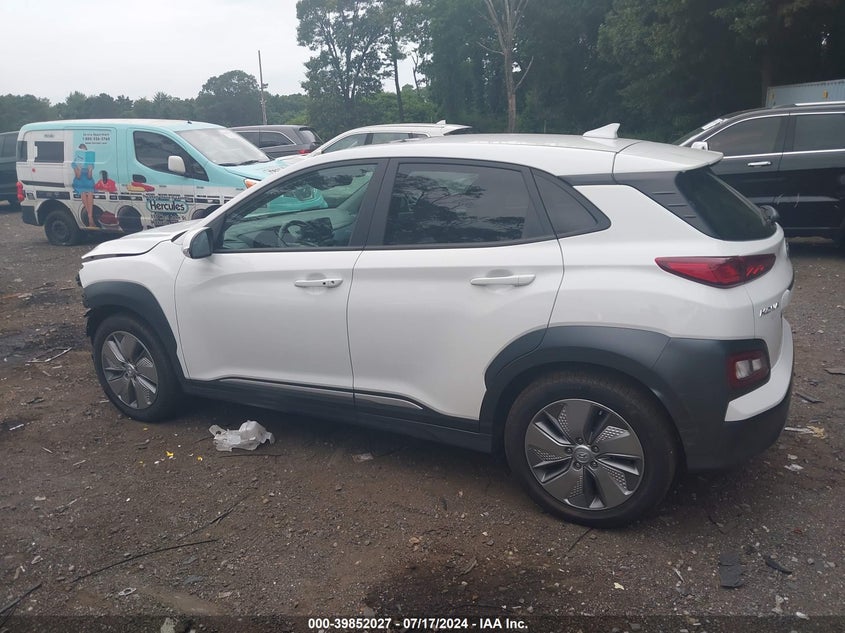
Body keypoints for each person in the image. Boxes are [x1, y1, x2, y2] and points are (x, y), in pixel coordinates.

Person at [72, 144, 96, 227]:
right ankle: (90, 218)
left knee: (90, 192)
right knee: (83, 191)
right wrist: (80, 168)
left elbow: (89, 177)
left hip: (88, 180)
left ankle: (89, 216)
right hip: (79, 180)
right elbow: (78, 177)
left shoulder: (89, 162)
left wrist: (90, 170)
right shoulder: (75, 163)